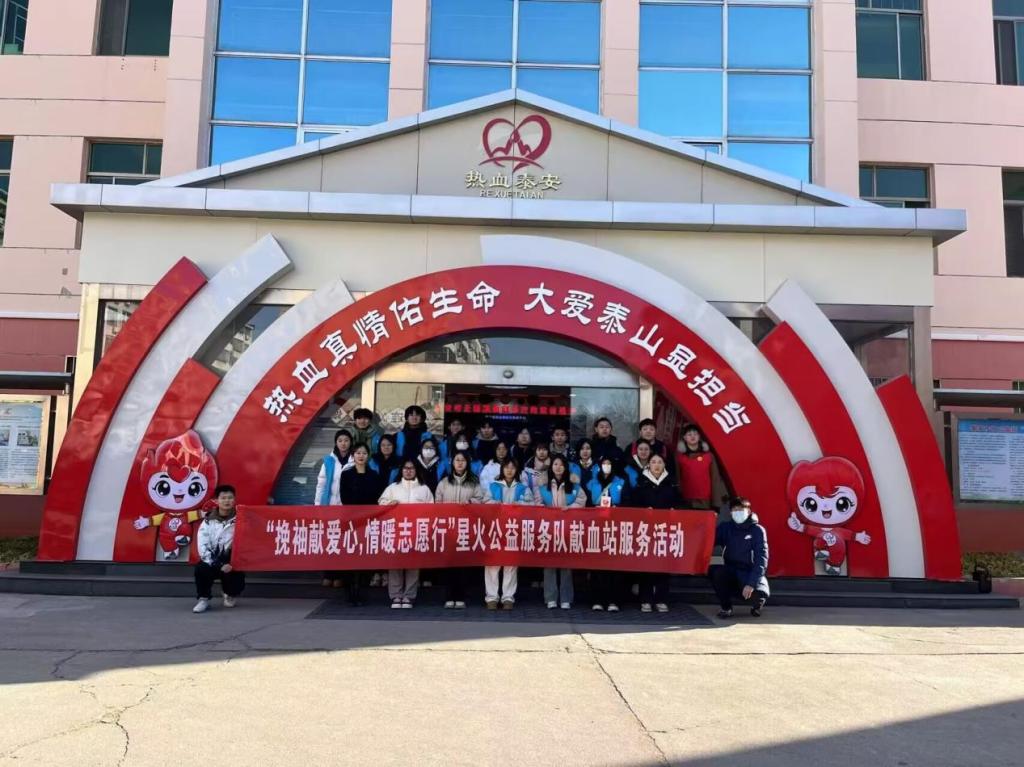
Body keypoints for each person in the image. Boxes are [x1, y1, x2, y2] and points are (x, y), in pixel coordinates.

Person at [378, 460, 435, 608]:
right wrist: (388, 504)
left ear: (416, 470)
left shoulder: (424, 489)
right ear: (401, 470)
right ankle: (396, 595)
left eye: (412, 468)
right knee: (395, 564)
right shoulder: (393, 487)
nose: (408, 471)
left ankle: (409, 596)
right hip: (396, 531)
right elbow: (381, 503)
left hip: (416, 532)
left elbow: (432, 509)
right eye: (405, 468)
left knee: (413, 565)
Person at [434, 450, 486, 609]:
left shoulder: (474, 482)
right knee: (449, 563)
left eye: (463, 460)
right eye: (457, 460)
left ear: (467, 463)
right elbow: (437, 503)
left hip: (466, 528)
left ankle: (461, 596)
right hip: (448, 528)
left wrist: (469, 503)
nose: (460, 463)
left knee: (463, 564)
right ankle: (449, 596)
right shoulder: (444, 482)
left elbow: (481, 500)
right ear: (452, 463)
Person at [631, 453, 681, 613]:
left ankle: (661, 599)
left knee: (663, 565)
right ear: (649, 465)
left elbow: (680, 503)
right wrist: (643, 510)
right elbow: (633, 505)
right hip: (645, 530)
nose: (657, 465)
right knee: (646, 565)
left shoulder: (671, 483)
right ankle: (645, 599)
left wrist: (675, 510)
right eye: (653, 462)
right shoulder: (641, 483)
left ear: (664, 465)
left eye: (660, 462)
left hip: (665, 530)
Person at [538, 454, 586, 609]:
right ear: (551, 467)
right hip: (548, 528)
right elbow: (537, 503)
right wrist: (545, 510)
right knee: (549, 564)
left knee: (566, 564)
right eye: (555, 464)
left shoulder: (574, 485)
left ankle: (566, 598)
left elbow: (582, 501)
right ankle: (550, 598)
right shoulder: (543, 485)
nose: (558, 467)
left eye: (561, 465)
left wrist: (570, 508)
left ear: (566, 468)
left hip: (567, 528)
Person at [338, 443, 383, 606]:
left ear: (368, 456)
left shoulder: (374, 475)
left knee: (365, 557)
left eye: (364, 453)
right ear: (353, 455)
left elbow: (377, 498)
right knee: (350, 557)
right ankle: (350, 592)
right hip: (351, 521)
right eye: (358, 453)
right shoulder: (346, 475)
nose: (361, 456)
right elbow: (344, 497)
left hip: (369, 521)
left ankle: (362, 591)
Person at [485, 457, 533, 609]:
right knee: (492, 563)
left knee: (510, 563)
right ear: (502, 469)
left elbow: (532, 505)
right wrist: (496, 505)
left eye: (512, 467)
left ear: (517, 470)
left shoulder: (523, 488)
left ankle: (508, 597)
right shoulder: (493, 486)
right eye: (507, 467)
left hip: (514, 530)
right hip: (495, 529)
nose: (509, 470)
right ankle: (491, 597)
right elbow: (484, 503)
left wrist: (519, 504)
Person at [710, 498, 769, 618]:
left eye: (741, 509)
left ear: (749, 511)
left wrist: (751, 584)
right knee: (716, 572)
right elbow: (709, 540)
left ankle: (757, 605)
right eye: (735, 510)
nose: (738, 512)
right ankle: (726, 608)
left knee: (758, 594)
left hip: (749, 571)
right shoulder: (726, 528)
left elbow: (761, 559)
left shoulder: (757, 530)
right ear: (731, 512)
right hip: (731, 569)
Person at [192, 485, 245, 613]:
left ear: (234, 500)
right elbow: (202, 547)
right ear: (217, 501)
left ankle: (230, 593)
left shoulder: (242, 519)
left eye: (230, 498)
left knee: (237, 575)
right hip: (213, 559)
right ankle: (204, 599)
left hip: (232, 559)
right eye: (223, 498)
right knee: (201, 568)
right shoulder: (208, 521)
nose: (227, 501)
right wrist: (219, 564)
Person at [586, 456, 627, 612]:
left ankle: (613, 600)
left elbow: (628, 501)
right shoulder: (591, 483)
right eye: (604, 463)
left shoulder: (621, 482)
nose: (606, 466)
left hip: (616, 527)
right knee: (597, 564)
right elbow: (586, 503)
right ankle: (597, 599)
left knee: (614, 564)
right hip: (596, 527)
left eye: (609, 463)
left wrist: (618, 508)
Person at [315, 429, 353, 588]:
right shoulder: (328, 461)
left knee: (344, 542)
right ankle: (328, 573)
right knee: (330, 540)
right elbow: (321, 485)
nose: (343, 443)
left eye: (346, 440)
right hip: (330, 506)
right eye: (340, 440)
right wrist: (317, 506)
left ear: (350, 442)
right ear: (336, 443)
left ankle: (340, 575)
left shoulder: (354, 459)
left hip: (346, 508)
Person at [677, 423, 715, 508]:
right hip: (686, 500)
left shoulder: (708, 456)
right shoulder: (679, 457)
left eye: (695, 434)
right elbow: (678, 477)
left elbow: (715, 479)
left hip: (705, 500)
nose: (692, 436)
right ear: (684, 437)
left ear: (699, 436)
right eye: (689, 434)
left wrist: (716, 502)